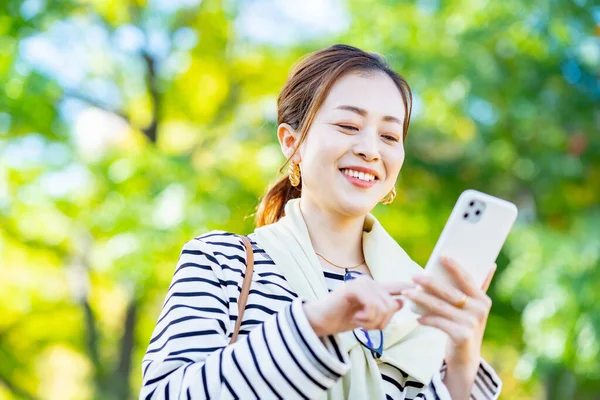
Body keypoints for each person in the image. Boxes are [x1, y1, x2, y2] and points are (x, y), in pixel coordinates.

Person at [140, 44, 502, 400]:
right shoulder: (222, 263)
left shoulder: (416, 297)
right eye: (348, 125)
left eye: (389, 136)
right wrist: (316, 324)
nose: (371, 150)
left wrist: (461, 366)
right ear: (292, 142)